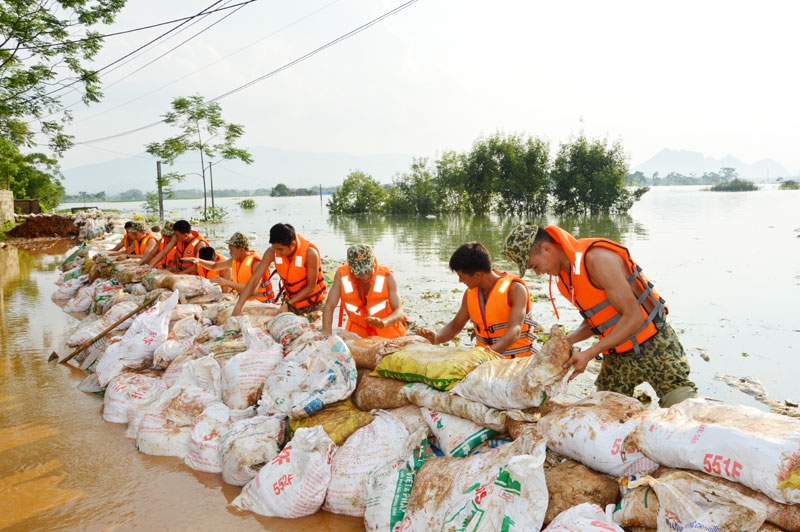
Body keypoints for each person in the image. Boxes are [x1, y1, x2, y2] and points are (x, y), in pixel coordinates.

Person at [503, 222, 698, 407]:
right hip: (617, 353)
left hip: (655, 346)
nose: (538, 273)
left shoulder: (597, 260)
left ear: (546, 248)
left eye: (534, 266)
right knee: (603, 413)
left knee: (683, 408)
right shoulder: (564, 280)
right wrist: (564, 343)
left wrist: (589, 353)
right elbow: (596, 320)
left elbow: (633, 317)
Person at [415, 242, 540, 358]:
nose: (460, 280)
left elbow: (515, 329)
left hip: (518, 362)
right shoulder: (470, 294)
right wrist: (436, 338)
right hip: (486, 361)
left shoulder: (516, 290)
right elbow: (455, 325)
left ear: (478, 275)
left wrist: (489, 355)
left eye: (461, 276)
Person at [232, 223, 326, 317]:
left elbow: (311, 287)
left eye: (280, 249)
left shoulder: (310, 254)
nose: (277, 252)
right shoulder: (272, 252)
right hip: (290, 303)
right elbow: (254, 279)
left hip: (313, 305)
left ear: (293, 244)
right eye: (275, 248)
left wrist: (288, 304)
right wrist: (239, 305)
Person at [322, 244, 407, 338]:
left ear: (373, 262)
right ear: (351, 269)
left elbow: (399, 312)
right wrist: (326, 334)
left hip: (387, 332)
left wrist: (383, 322)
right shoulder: (341, 275)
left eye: (368, 270)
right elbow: (329, 306)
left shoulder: (387, 277)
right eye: (359, 273)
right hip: (357, 333)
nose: (365, 276)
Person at [184, 233, 274, 301]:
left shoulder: (256, 264)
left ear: (241, 250)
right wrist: (199, 261)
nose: (230, 253)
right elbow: (215, 266)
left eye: (232, 250)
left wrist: (227, 283)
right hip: (244, 301)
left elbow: (252, 290)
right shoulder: (235, 260)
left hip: (260, 303)